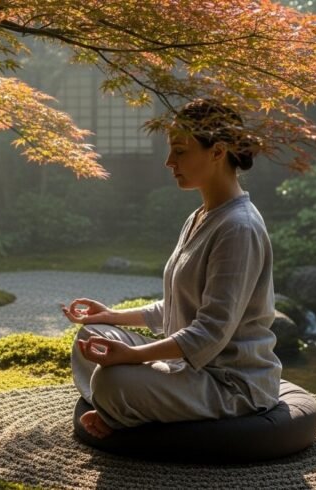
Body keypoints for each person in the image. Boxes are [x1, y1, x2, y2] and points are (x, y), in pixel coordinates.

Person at [64, 99, 282, 439]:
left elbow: (209, 332)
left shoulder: (239, 228)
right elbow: (178, 307)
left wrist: (135, 355)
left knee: (110, 379)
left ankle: (120, 410)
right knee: (92, 337)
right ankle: (122, 409)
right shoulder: (199, 217)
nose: (169, 162)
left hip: (229, 383)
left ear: (217, 151)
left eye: (179, 151)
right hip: (186, 371)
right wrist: (109, 316)